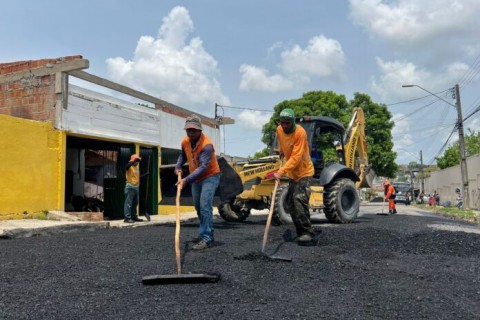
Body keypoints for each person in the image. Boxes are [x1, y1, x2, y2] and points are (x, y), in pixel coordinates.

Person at [175, 115, 221, 250]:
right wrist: (178, 166)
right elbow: (183, 155)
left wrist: (186, 180)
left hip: (210, 176)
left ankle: (207, 238)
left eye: (193, 130)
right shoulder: (185, 141)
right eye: (188, 130)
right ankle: (207, 232)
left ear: (200, 130)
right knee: (197, 206)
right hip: (196, 177)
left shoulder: (207, 145)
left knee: (205, 205)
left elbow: (202, 168)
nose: (190, 133)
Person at [272, 108, 317, 245]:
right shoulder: (279, 129)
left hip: (304, 171)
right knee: (290, 204)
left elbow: (296, 158)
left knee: (299, 200)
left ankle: (308, 233)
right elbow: (282, 141)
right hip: (293, 173)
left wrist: (281, 172)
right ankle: (301, 231)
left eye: (287, 123)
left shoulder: (300, 133)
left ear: (292, 122)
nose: (284, 126)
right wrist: (281, 151)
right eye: (282, 123)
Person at [124, 154, 145, 223]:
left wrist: (144, 175)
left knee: (135, 203)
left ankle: (134, 217)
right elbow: (126, 166)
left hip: (136, 187)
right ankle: (127, 218)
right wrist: (133, 161)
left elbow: (136, 176)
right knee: (128, 203)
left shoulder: (137, 167)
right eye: (137, 161)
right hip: (130, 186)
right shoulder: (129, 167)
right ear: (134, 161)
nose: (138, 162)